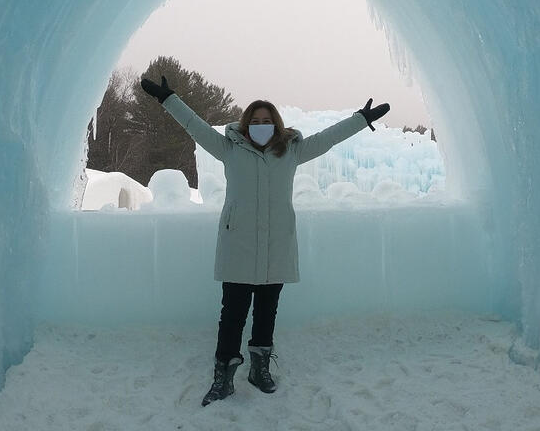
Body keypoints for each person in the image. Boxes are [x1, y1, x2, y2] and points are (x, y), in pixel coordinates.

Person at [140, 75, 390, 407]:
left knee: (267, 312)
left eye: (266, 121)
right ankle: (224, 375)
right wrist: (169, 98)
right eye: (255, 121)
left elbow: (329, 138)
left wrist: (361, 119)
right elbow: (195, 126)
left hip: (276, 245)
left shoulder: (292, 151)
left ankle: (259, 369)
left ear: (276, 125)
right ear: (246, 125)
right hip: (238, 244)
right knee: (232, 314)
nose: (261, 126)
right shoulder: (228, 148)